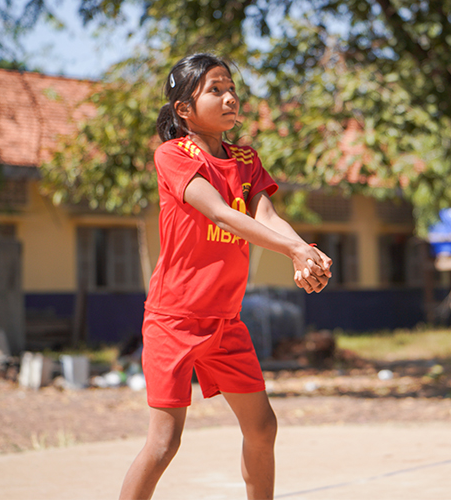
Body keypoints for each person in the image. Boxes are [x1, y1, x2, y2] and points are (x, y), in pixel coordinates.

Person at [119, 53, 332, 500]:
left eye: (231, 88)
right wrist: (294, 249)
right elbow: (220, 212)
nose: (230, 97)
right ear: (184, 109)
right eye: (215, 90)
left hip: (225, 323)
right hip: (173, 319)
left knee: (262, 427)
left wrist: (305, 251)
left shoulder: (245, 159)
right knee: (164, 443)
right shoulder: (173, 155)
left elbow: (266, 215)